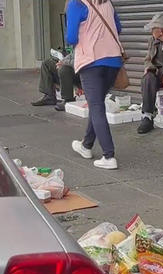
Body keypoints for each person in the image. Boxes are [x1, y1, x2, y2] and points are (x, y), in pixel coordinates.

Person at [66, 0, 123, 170]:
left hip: (91, 61)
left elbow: (71, 37)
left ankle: (109, 156)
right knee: (96, 104)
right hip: (113, 61)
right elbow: (118, 28)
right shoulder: (107, 2)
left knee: (96, 106)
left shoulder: (76, 3)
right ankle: (86, 145)